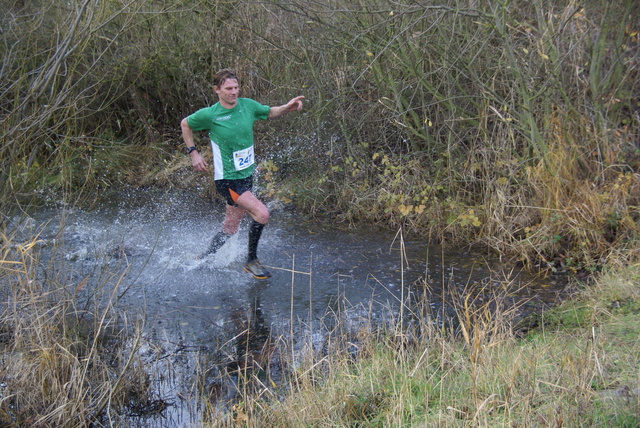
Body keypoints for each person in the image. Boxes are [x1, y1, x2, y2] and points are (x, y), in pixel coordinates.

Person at [181, 68, 304, 279]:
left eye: (236, 87)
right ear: (217, 90)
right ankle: (251, 261)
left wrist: (287, 107)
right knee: (262, 214)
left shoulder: (247, 105)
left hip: (246, 177)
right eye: (228, 88)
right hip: (228, 180)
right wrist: (193, 153)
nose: (233, 92)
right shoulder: (211, 115)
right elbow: (185, 124)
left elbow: (269, 112)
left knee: (230, 228)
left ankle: (203, 258)